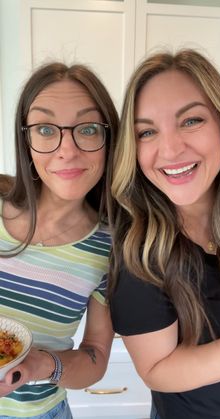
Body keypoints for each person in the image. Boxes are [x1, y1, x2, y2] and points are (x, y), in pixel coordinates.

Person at [108, 49, 220, 419]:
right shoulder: (140, 250)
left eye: (191, 120)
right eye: (147, 131)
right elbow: (157, 370)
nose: (170, 149)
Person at [0, 61, 119, 418]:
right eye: (46, 129)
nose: (67, 150)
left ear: (108, 138)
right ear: (27, 140)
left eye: (87, 128)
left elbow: (95, 356)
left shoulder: (112, 248)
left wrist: (38, 366)